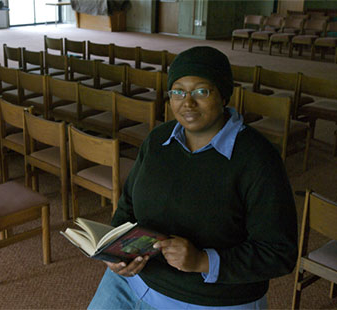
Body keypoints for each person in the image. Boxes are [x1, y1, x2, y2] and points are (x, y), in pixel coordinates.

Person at [88, 46, 298, 309]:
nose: (187, 102)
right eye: (178, 91)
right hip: (133, 281)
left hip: (207, 300)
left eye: (201, 91)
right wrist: (116, 255)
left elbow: (280, 253)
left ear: (223, 96)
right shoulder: (158, 140)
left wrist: (203, 261)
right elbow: (128, 204)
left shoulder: (257, 159)